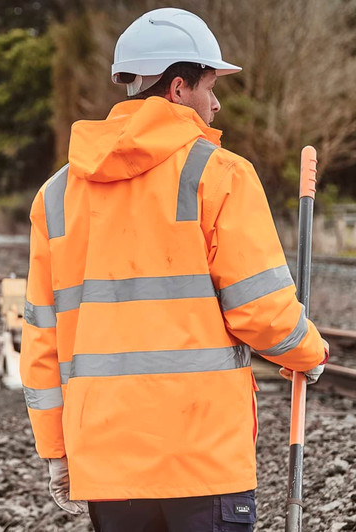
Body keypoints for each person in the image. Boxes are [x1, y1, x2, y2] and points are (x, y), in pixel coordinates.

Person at [20, 7, 329, 532]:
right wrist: (309, 351)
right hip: (202, 460)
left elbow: (42, 340)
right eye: (210, 86)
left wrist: (56, 450)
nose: (217, 103)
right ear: (179, 87)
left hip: (107, 463)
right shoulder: (220, 173)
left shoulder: (55, 196)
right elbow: (260, 310)